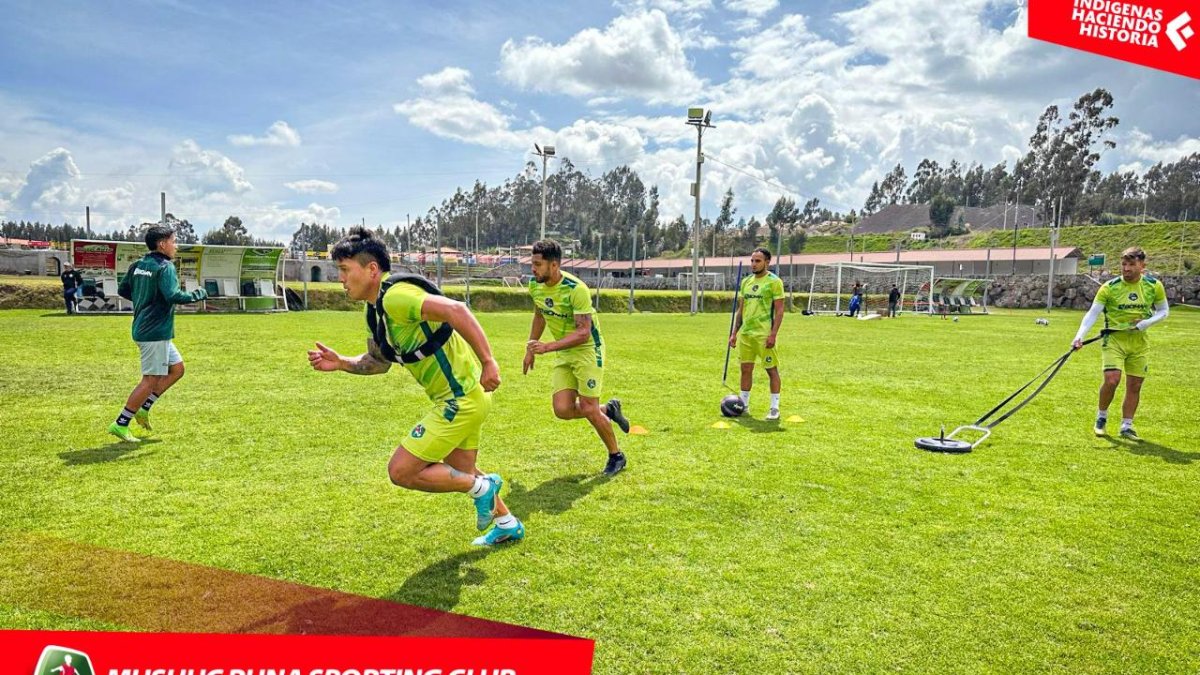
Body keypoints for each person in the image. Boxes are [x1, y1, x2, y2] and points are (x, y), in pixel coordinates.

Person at [309, 227, 523, 546]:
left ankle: (484, 489)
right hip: (465, 399)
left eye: (344, 269)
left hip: (458, 401)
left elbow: (456, 310)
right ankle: (506, 523)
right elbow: (379, 362)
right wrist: (341, 363)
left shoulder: (395, 297)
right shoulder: (376, 312)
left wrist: (489, 361)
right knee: (463, 470)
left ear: (371, 269)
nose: (340, 279)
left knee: (402, 471)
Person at [524, 239, 630, 476]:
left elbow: (583, 333)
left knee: (589, 408)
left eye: (538, 264)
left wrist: (548, 347)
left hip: (587, 350)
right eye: (532, 263)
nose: (533, 269)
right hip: (563, 351)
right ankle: (609, 410)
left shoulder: (576, 289)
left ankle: (617, 456)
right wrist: (530, 348)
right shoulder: (535, 285)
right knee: (562, 409)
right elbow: (539, 315)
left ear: (554, 265)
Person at [109, 226, 208, 443]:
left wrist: (145, 298)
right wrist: (198, 293)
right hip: (154, 331)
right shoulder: (165, 267)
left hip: (148, 329)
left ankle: (144, 407)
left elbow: (123, 290)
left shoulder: (138, 265)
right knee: (150, 379)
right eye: (174, 241)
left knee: (177, 369)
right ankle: (121, 423)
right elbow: (173, 295)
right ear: (162, 244)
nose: (176, 245)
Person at [1072, 246, 1168, 441]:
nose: (1126, 268)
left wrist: (1145, 323)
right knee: (1112, 380)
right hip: (1114, 339)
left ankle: (1127, 426)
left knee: (1135, 385)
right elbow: (1092, 313)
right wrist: (1079, 336)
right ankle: (1101, 417)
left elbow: (1164, 310)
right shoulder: (1110, 287)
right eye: (1124, 264)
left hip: (1139, 342)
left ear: (1142, 266)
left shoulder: (1153, 285)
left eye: (1131, 264)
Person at [728, 247, 785, 420]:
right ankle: (743, 405)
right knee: (745, 369)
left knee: (771, 370)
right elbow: (741, 310)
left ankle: (774, 408)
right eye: (752, 260)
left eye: (757, 261)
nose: (753, 264)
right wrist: (734, 333)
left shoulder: (774, 282)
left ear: (767, 262)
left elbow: (780, 311)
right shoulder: (746, 282)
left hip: (763, 334)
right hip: (746, 334)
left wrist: (773, 334)